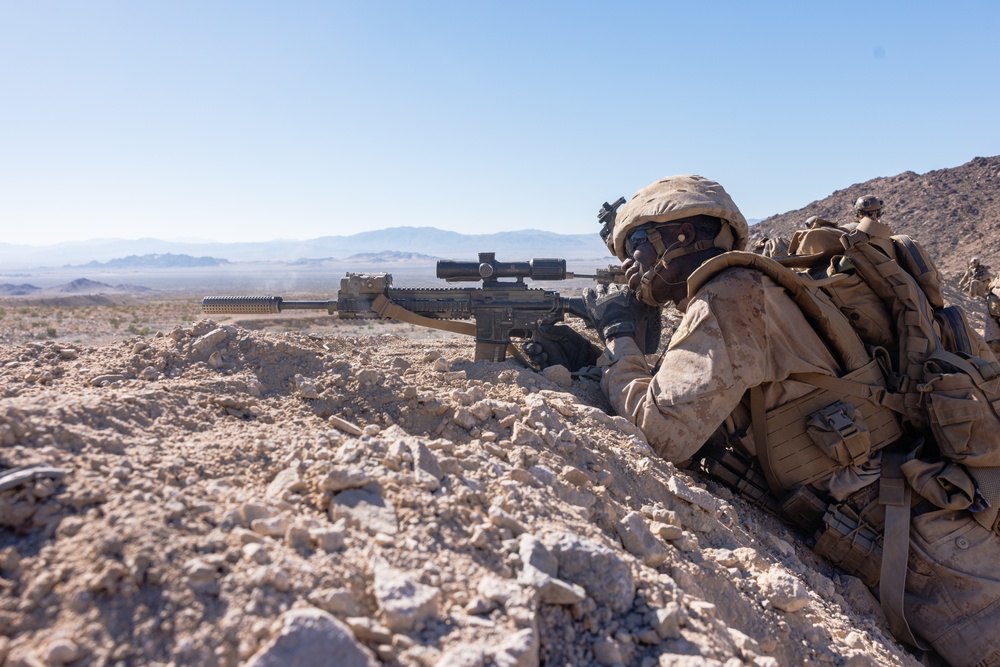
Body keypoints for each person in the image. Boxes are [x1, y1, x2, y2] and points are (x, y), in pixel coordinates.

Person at [527, 175, 1000, 667]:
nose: (630, 263)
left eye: (638, 244)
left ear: (682, 236)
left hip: (924, 546)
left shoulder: (731, 297)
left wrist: (618, 335)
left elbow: (663, 432)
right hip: (903, 518)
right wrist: (597, 360)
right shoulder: (751, 287)